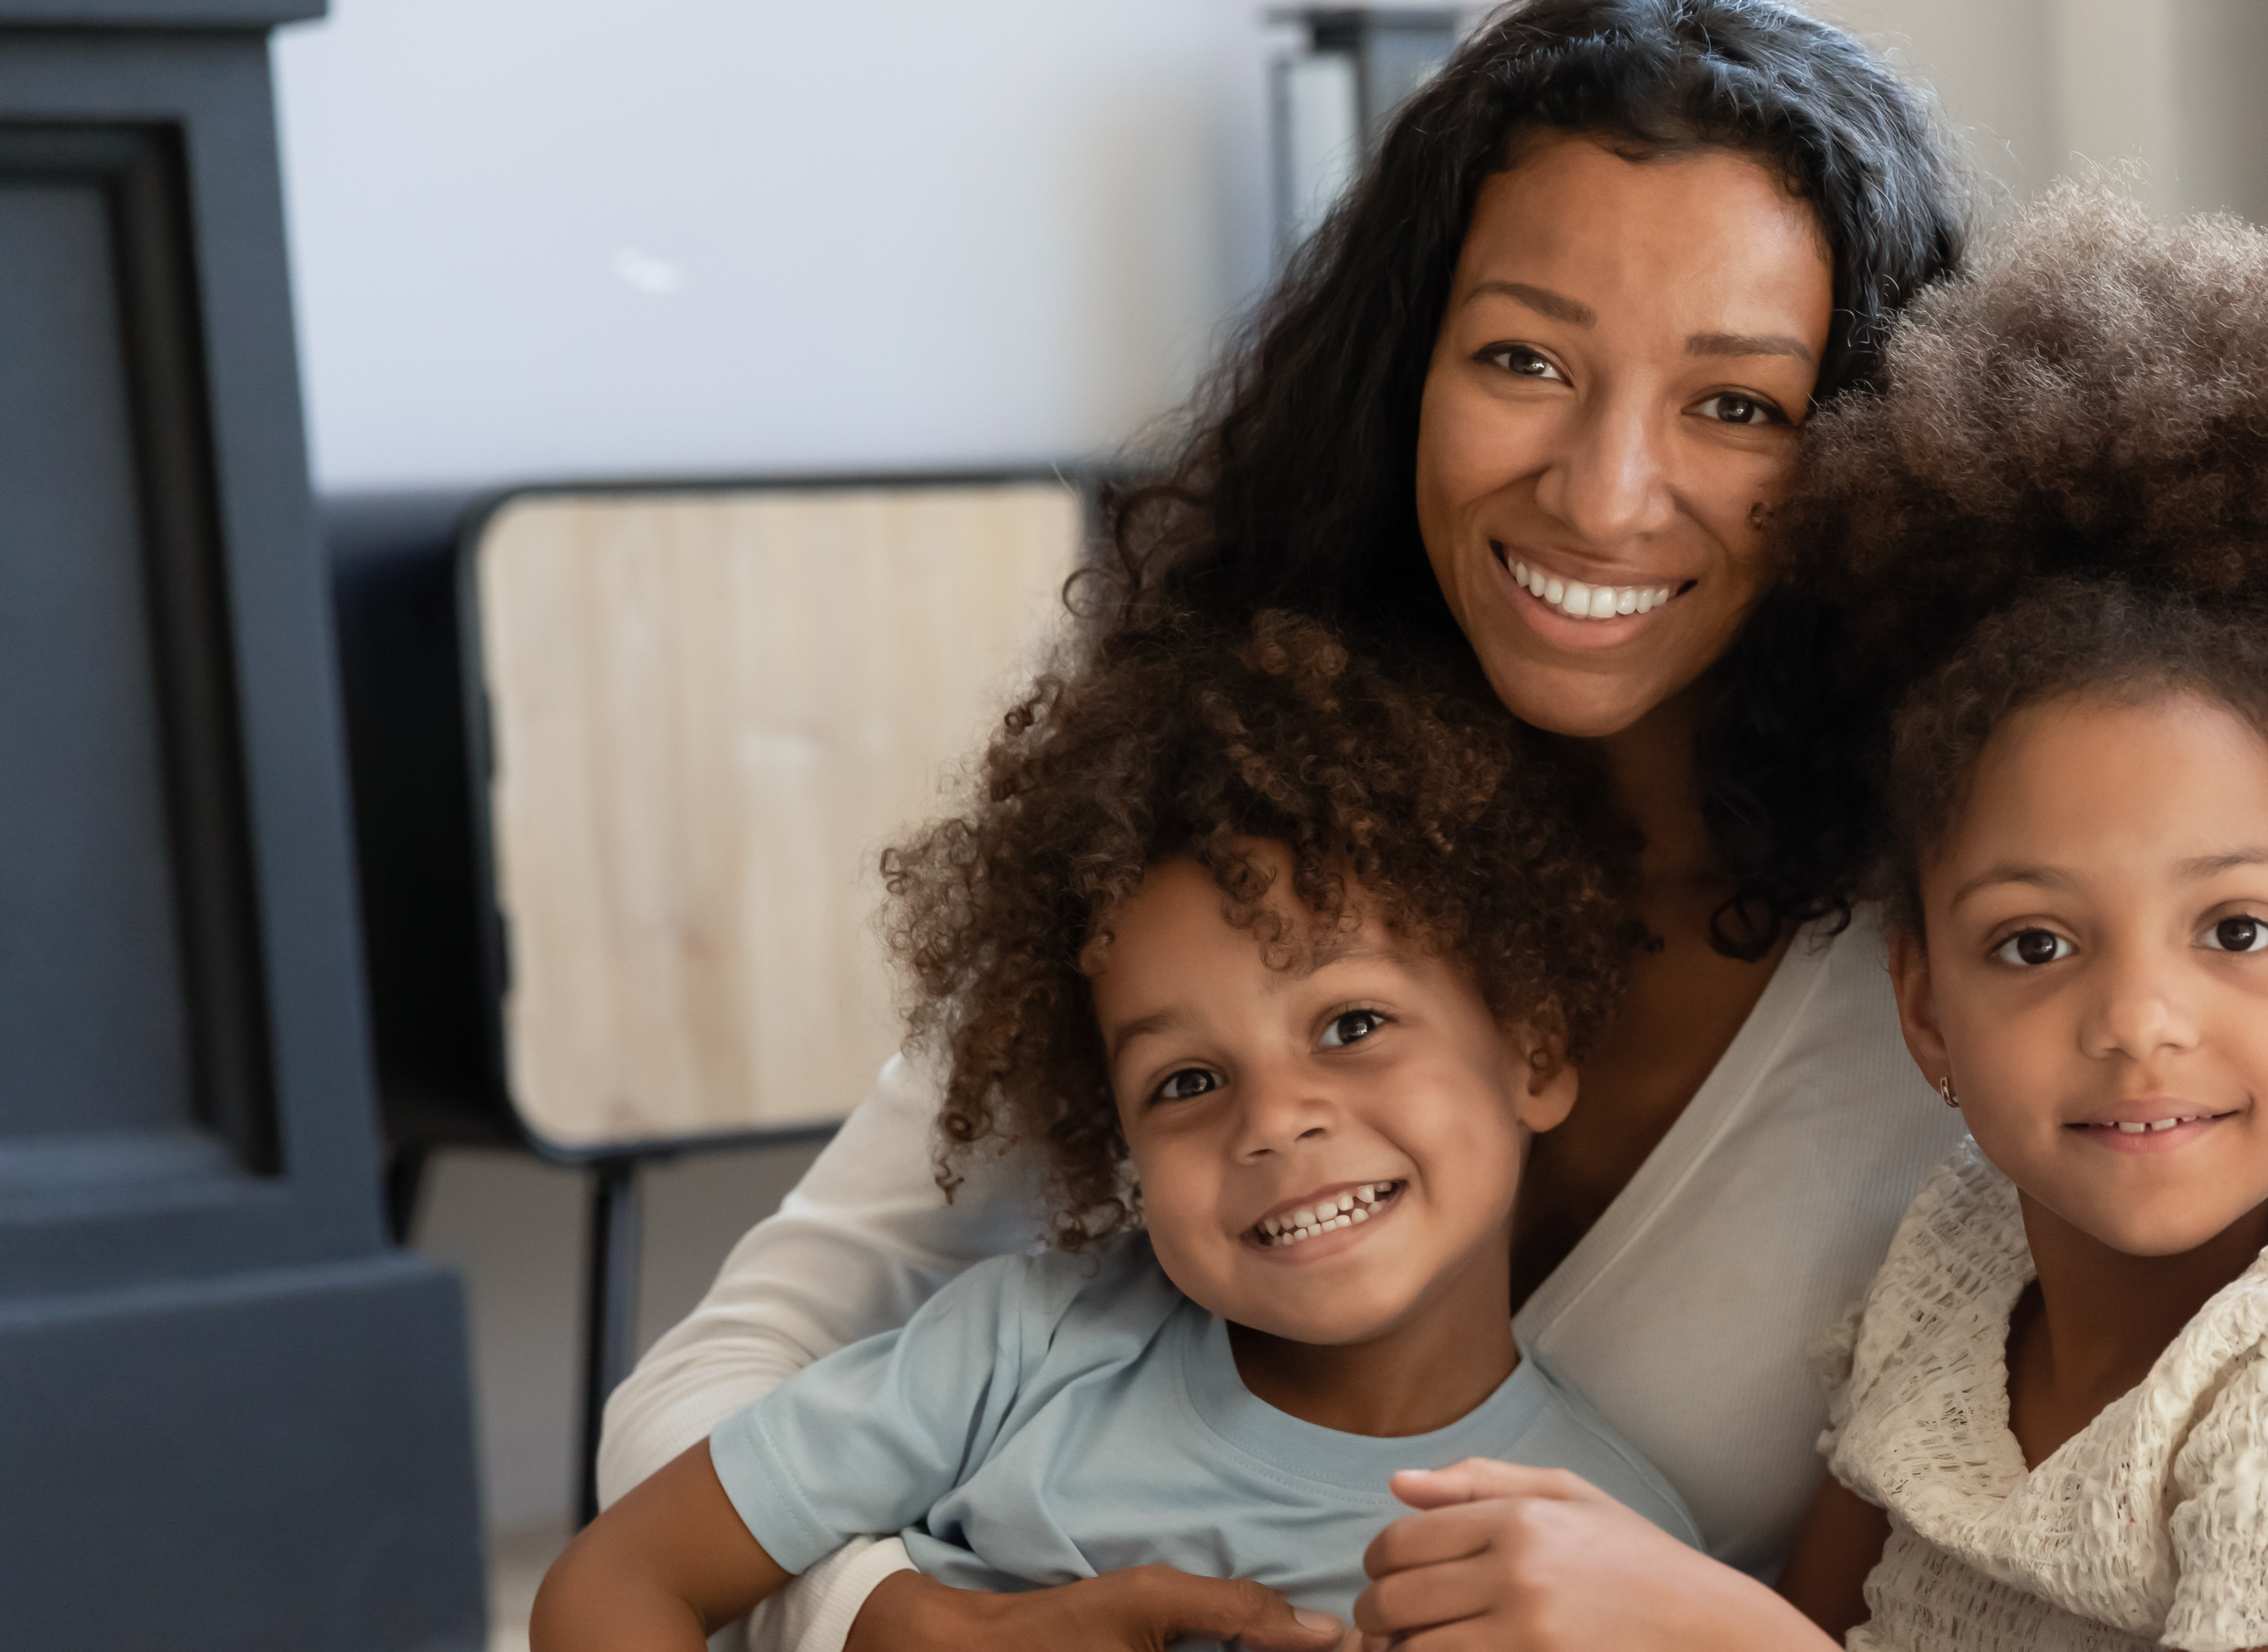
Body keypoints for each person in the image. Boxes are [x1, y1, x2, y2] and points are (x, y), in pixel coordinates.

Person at [601, 6, 2268, 1647]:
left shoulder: (2008, 920)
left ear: (1871, 449)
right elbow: (706, 1394)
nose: (1606, 487)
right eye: (1522, 358)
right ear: (1399, 378)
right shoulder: (1237, 840)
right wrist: (887, 1616)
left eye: (1736, 401)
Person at [532, 613, 1699, 1651]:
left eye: (1352, 1022)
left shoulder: (1607, 1543)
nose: (1277, 1117)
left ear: (1535, 1050)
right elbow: (618, 1580)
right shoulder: (1017, 1351)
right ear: (1116, 1136)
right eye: (1186, 1079)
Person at [1765, 179, 2268, 1648]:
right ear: (1922, 1008)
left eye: (2236, 930)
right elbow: (1822, 1613)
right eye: (2035, 942)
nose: (2138, 1021)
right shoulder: (1959, 1243)